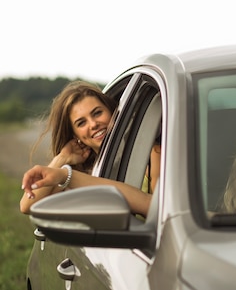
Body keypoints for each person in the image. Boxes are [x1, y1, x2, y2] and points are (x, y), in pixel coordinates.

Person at [20, 81, 152, 217]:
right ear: (75, 135)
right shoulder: (85, 174)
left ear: (112, 111)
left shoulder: (151, 153)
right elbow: (27, 206)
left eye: (97, 113)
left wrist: (66, 175)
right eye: (81, 123)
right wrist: (61, 159)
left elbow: (158, 209)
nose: (93, 124)